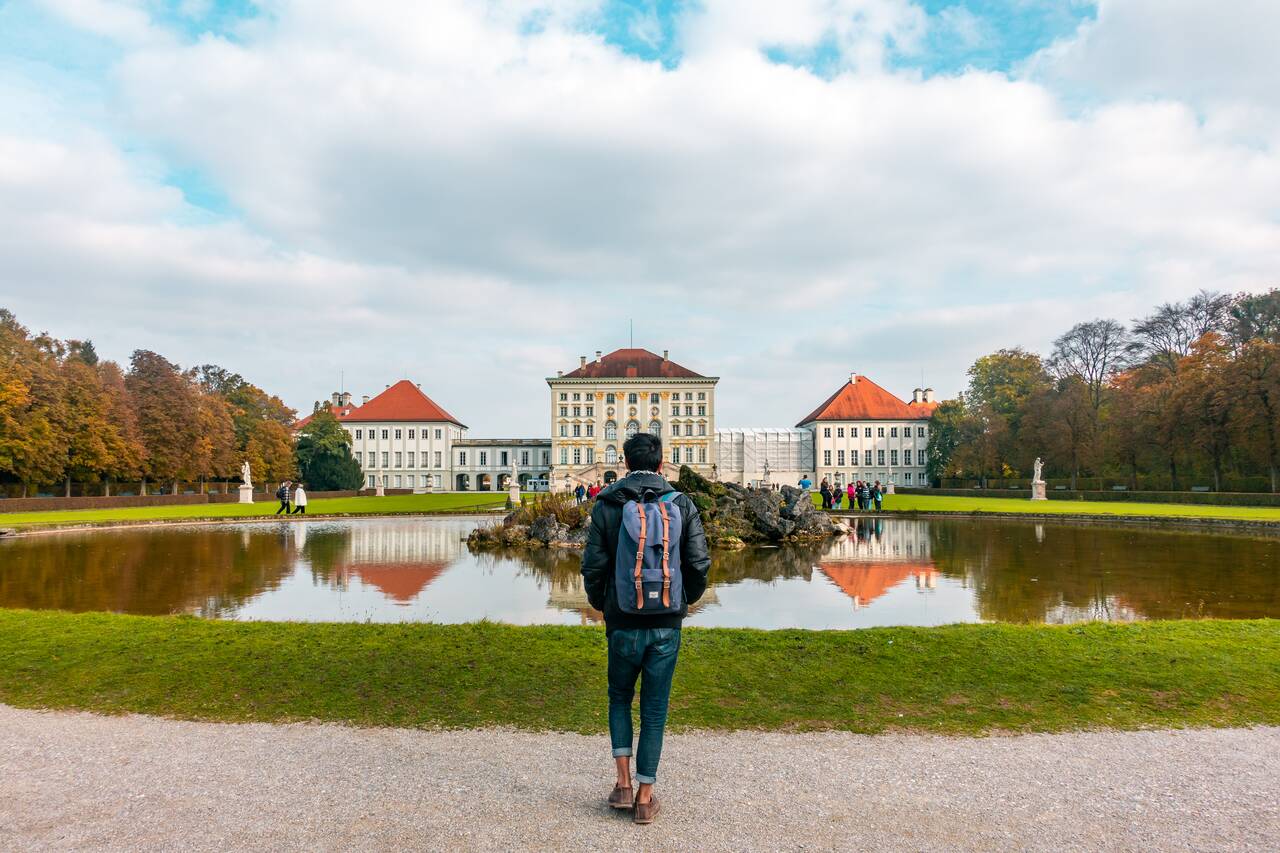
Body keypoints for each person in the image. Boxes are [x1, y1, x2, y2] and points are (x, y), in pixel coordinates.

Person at [581, 432, 711, 825]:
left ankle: (621, 784)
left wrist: (602, 604)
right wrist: (682, 602)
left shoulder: (607, 503)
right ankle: (644, 797)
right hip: (666, 622)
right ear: (661, 463)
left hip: (621, 617)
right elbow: (699, 563)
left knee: (619, 698)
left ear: (623, 463)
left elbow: (593, 566)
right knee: (654, 710)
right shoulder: (681, 502)